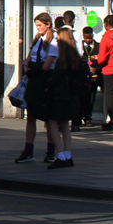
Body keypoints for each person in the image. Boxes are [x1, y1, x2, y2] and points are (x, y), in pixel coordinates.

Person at [15, 13, 58, 164]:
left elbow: (48, 64)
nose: (38, 28)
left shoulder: (54, 40)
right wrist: (26, 66)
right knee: (31, 116)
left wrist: (32, 68)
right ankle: (28, 150)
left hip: (45, 79)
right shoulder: (37, 39)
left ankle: (51, 151)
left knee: (48, 117)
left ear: (48, 24)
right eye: (36, 26)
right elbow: (28, 58)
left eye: (40, 25)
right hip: (33, 79)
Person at [45, 27, 84, 168]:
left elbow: (56, 76)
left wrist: (47, 85)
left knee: (51, 123)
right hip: (71, 95)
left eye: (57, 39)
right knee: (65, 124)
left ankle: (60, 155)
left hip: (59, 94)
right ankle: (68, 155)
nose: (56, 41)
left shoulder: (63, 58)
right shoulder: (75, 57)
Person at [79, 26, 101, 127]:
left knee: (91, 97)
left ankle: (88, 117)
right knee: (82, 97)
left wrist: (96, 68)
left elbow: (102, 59)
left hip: (94, 75)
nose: (88, 40)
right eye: (86, 38)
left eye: (90, 38)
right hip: (83, 75)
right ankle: (80, 116)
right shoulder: (80, 46)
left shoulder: (98, 46)